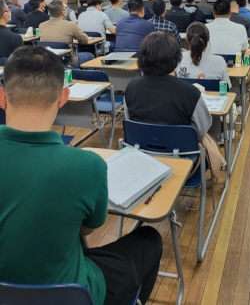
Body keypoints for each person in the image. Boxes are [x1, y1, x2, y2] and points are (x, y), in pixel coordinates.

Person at [0, 46, 162, 305]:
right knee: (149, 239)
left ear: (2, 97)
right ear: (64, 97)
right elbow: (89, 226)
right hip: (70, 293)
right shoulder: (87, 165)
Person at [124, 31, 212, 140]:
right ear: (176, 59)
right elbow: (202, 130)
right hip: (180, 151)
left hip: (141, 148)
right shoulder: (190, 92)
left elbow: (129, 120)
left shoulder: (131, 87)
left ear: (142, 57)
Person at [176, 22, 233, 142]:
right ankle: (223, 131)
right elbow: (226, 88)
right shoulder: (219, 61)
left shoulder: (178, 58)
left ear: (186, 39)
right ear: (209, 38)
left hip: (183, 113)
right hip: (213, 114)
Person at [206, 0, 250, 92]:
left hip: (209, 68)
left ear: (213, 13)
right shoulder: (240, 28)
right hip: (233, 66)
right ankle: (240, 98)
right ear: (230, 13)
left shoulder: (205, 28)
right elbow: (244, 50)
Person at [39, 1, 94, 67]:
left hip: (48, 59)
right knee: (90, 55)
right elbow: (84, 40)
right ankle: (83, 76)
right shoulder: (71, 25)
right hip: (67, 60)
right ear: (63, 12)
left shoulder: (41, 25)